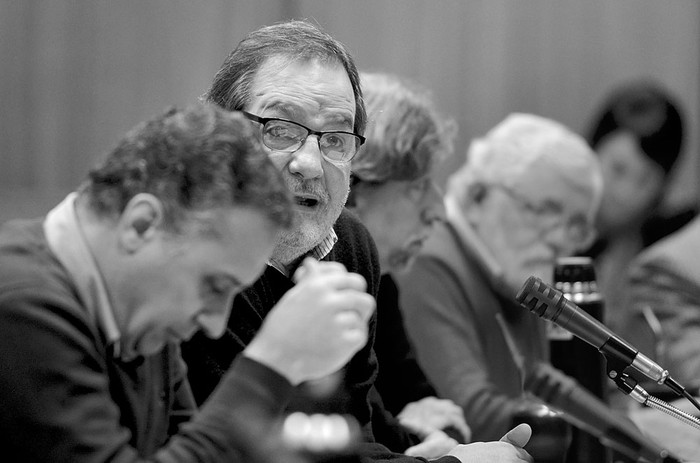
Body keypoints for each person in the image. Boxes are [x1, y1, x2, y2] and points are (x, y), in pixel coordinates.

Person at [181, 19, 533, 463]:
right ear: (221, 133)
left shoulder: (349, 247)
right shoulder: (194, 258)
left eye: (335, 139)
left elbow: (352, 436)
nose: (309, 163)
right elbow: (243, 450)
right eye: (280, 130)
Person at [0, 104, 379, 462]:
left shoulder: (138, 313)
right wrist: (273, 364)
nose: (215, 322)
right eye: (214, 286)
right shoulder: (21, 306)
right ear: (141, 226)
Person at [395, 113, 603, 442]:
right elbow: (473, 418)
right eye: (546, 211)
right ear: (478, 196)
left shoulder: (514, 269)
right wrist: (609, 428)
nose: (562, 240)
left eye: (576, 224)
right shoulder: (427, 260)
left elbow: (568, 392)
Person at [347, 71, 470, 458]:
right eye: (417, 186)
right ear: (351, 191)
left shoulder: (382, 285)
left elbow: (434, 415)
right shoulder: (304, 293)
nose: (439, 211)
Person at [582, 79, 693, 331]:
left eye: (644, 180)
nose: (624, 192)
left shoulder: (665, 253)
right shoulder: (553, 235)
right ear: (591, 152)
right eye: (618, 169)